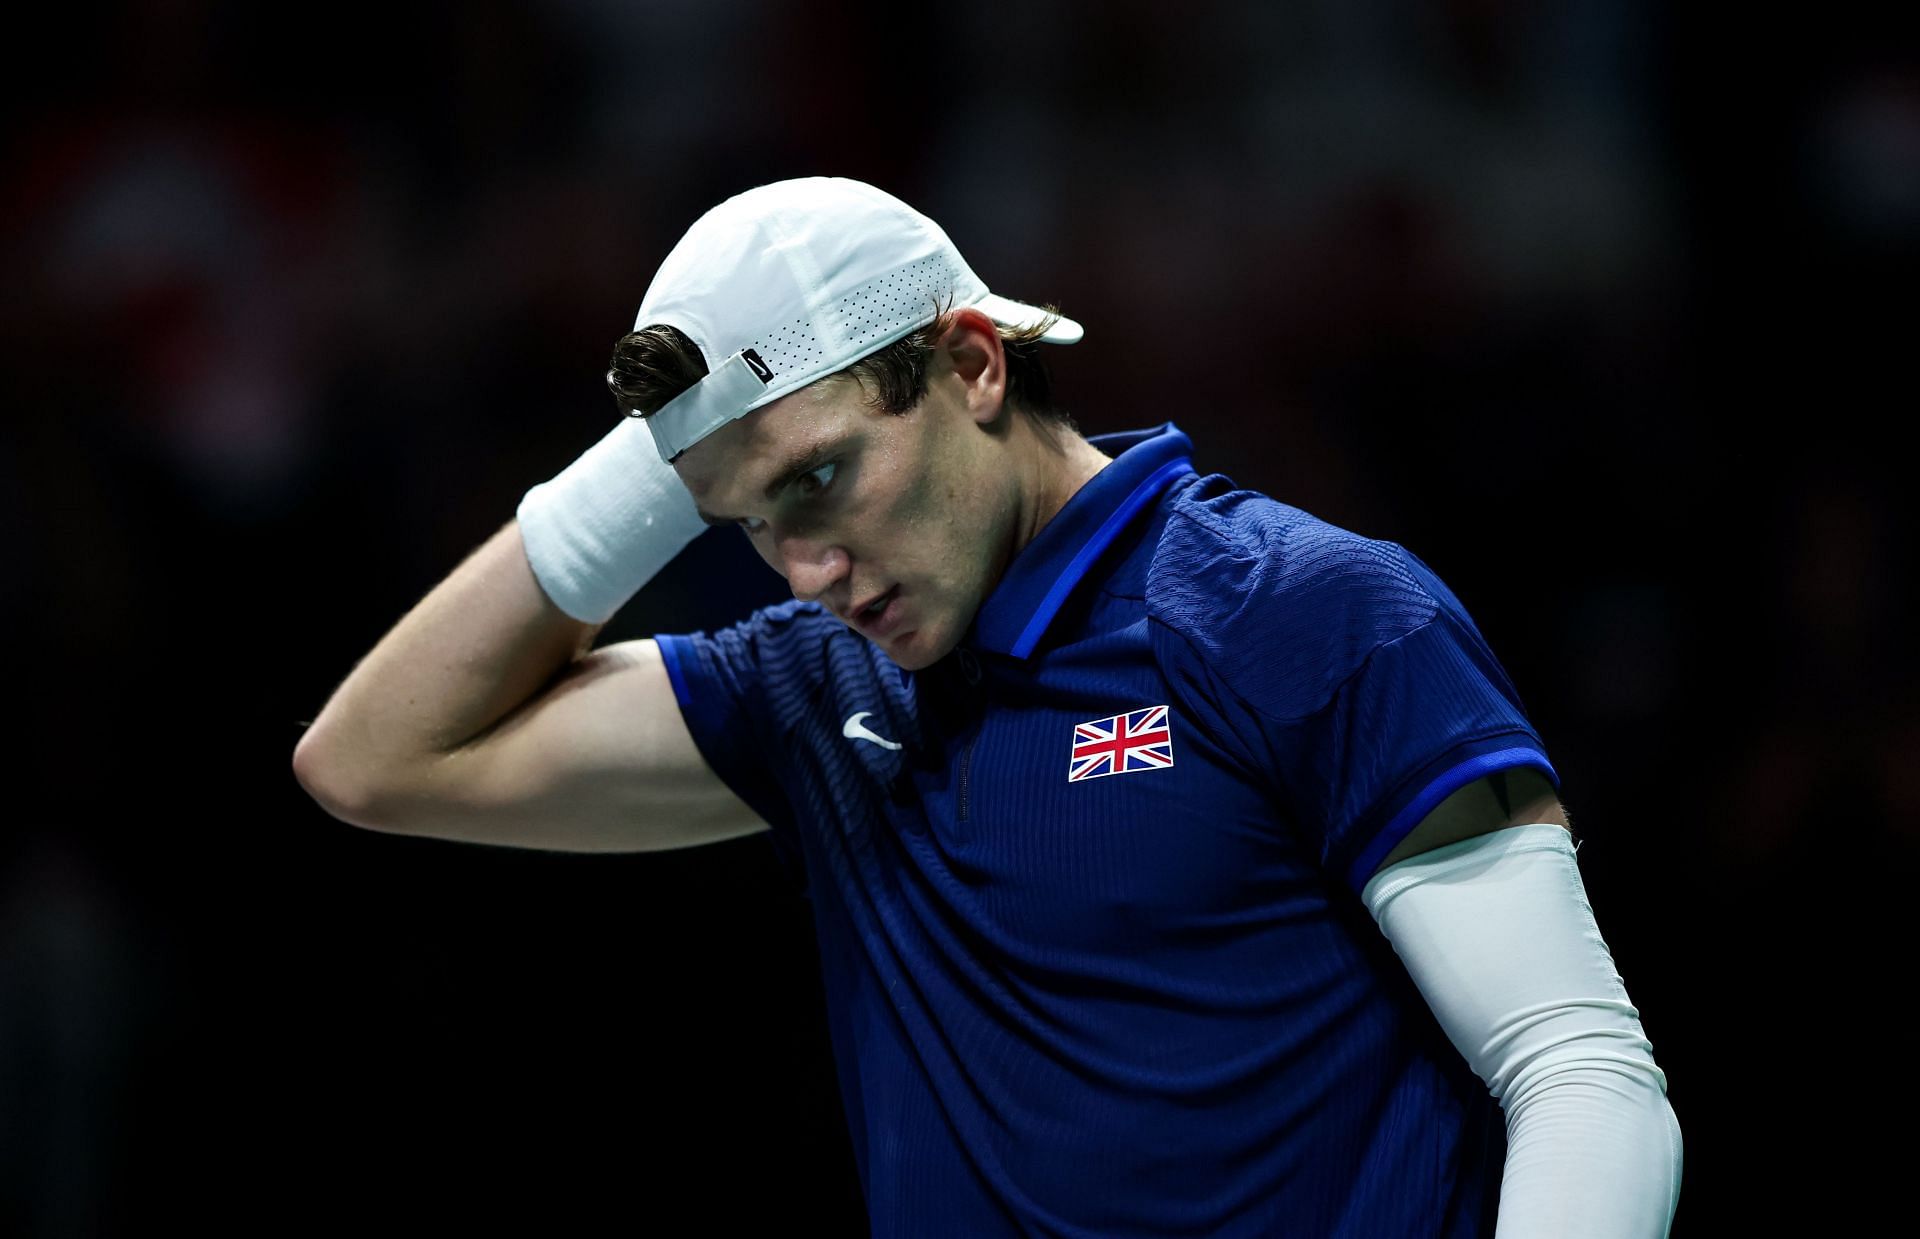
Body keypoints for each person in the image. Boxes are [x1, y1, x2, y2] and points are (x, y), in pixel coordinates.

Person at [293, 176, 1682, 1237]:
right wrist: (687, 442)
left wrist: (738, 424)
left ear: (972, 363)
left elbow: (1579, 1076)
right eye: (749, 522)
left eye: (822, 480)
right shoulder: (812, 692)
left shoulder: (1302, 611)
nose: (808, 569)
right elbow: (377, 757)